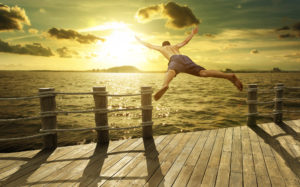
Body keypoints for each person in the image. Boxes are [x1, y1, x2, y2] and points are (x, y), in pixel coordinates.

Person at [135, 27, 243, 101]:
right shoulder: (175, 46)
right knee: (203, 73)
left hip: (174, 59)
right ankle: (229, 76)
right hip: (185, 58)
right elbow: (185, 41)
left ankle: (165, 85)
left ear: (163, 45)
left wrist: (139, 40)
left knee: (171, 71)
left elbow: (149, 45)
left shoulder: (161, 48)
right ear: (170, 44)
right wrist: (192, 33)